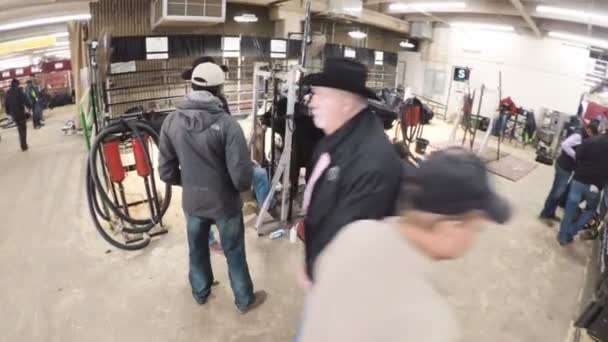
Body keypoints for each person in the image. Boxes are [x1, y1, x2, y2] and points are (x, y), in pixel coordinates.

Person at [298, 147, 511, 342]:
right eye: (476, 229)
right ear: (451, 227)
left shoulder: (355, 232)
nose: (474, 238)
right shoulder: (430, 323)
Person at [158, 62, 266, 313]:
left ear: (192, 85)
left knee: (196, 250)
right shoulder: (229, 125)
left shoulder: (171, 121)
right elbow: (241, 180)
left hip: (193, 204)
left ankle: (200, 291)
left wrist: (191, 183)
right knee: (234, 252)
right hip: (224, 204)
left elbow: (165, 171)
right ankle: (243, 299)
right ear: (219, 90)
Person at [300, 58, 402, 282]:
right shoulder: (335, 136)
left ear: (345, 102)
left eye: (319, 95)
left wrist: (314, 272)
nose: (311, 102)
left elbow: (346, 243)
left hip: (342, 289)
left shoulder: (373, 163)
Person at [539, 119, 600, 226]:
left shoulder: (584, 136)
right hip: (563, 166)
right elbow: (565, 144)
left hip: (567, 167)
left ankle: (550, 212)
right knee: (557, 191)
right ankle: (545, 213)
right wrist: (576, 156)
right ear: (588, 129)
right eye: (591, 134)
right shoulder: (579, 136)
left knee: (559, 192)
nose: (591, 136)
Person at [557, 130, 608, 245]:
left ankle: (562, 236)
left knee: (570, 209)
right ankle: (572, 231)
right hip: (595, 186)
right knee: (590, 210)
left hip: (579, 180)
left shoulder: (591, 140)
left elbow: (578, 155)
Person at [4, 79, 32, 151]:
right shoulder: (19, 91)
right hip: (20, 112)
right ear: (17, 84)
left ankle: (23, 145)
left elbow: (6, 104)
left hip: (13, 114)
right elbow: (24, 99)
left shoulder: (8, 93)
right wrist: (29, 106)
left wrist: (8, 112)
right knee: (23, 129)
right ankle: (24, 146)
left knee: (19, 129)